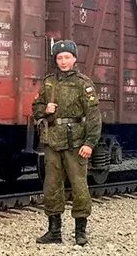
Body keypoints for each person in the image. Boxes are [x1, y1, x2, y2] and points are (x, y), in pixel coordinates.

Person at [32, 39, 102, 245]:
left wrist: (89, 143)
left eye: (67, 57)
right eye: (59, 58)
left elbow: (94, 116)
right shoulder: (48, 82)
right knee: (51, 187)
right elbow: (35, 108)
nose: (63, 61)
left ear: (74, 59)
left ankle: (80, 231)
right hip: (53, 141)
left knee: (79, 187)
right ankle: (54, 231)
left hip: (75, 142)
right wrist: (45, 111)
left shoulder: (83, 83)